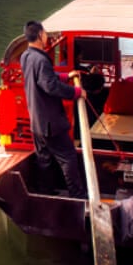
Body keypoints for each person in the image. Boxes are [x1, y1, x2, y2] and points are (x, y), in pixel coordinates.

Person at [19, 20, 87, 199]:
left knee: (44, 159)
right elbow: (50, 86)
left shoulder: (26, 56)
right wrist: (76, 92)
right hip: (51, 122)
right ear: (40, 35)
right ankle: (77, 195)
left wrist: (65, 75)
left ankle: (45, 193)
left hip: (37, 121)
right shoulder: (41, 58)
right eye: (46, 34)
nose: (47, 37)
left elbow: (45, 77)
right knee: (68, 157)